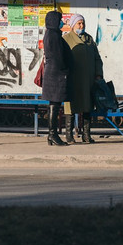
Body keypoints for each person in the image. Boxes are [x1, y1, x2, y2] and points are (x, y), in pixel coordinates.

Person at [63, 13, 103, 144]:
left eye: (82, 23)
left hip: (88, 79)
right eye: (79, 23)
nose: (81, 26)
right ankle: (69, 135)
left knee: (87, 106)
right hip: (72, 79)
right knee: (70, 107)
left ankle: (86, 135)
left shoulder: (89, 39)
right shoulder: (66, 39)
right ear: (72, 25)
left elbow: (97, 58)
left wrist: (98, 74)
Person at [41, 10, 72, 146]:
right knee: (55, 104)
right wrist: (65, 68)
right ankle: (53, 134)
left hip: (53, 73)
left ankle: (51, 135)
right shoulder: (54, 35)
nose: (62, 22)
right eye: (60, 20)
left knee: (54, 104)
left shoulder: (50, 34)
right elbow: (59, 56)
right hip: (56, 74)